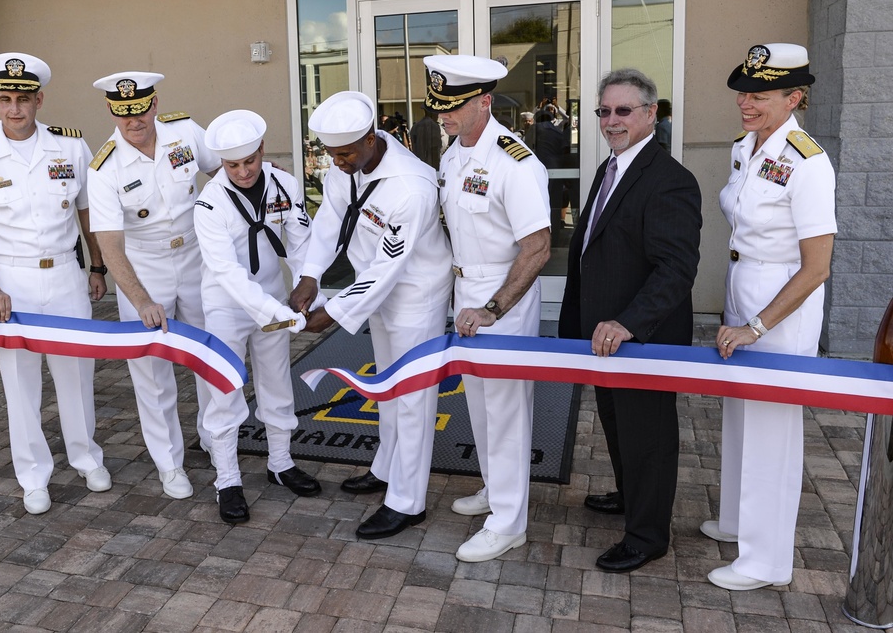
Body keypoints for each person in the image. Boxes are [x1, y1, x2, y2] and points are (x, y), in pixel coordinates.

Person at [0, 53, 111, 515]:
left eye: (25, 99)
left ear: (39, 100)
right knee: (21, 381)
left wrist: (97, 267)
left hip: (67, 277)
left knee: (76, 373)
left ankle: (86, 457)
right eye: (6, 99)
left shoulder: (70, 146)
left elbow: (88, 212)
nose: (16, 109)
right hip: (10, 281)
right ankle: (34, 476)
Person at [289, 91, 452, 540]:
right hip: (376, 289)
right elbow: (330, 219)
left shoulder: (411, 187)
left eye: (344, 154)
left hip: (415, 295)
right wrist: (310, 276)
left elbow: (388, 268)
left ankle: (407, 501)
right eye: (331, 154)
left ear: (369, 139)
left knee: (413, 397)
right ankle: (385, 468)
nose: (336, 163)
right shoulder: (349, 165)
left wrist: (331, 314)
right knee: (386, 387)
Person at [557, 68, 702, 573]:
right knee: (617, 424)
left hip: (644, 337)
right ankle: (628, 495)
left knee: (648, 436)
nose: (612, 121)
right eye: (604, 111)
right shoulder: (610, 167)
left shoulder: (670, 181)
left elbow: (676, 269)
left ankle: (647, 536)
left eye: (623, 111)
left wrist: (629, 323)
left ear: (651, 115)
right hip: (604, 334)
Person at [704, 43, 835, 591]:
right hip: (744, 291)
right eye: (743, 92)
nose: (745, 103)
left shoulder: (808, 161)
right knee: (739, 415)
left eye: (758, 95)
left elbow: (817, 268)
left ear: (794, 97)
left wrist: (758, 325)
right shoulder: (747, 147)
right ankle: (737, 522)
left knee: (771, 432)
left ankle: (766, 560)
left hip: (782, 308)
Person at [424, 54, 551, 562]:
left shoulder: (514, 162)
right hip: (465, 293)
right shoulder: (454, 154)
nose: (443, 116)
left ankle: (509, 521)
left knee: (504, 412)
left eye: (452, 108)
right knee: (478, 404)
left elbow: (538, 247)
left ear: (484, 102)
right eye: (439, 107)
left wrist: (494, 307)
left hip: (503, 301)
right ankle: (496, 488)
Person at [87, 71, 219, 500]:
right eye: (123, 114)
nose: (133, 122)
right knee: (152, 371)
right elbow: (109, 244)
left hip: (197, 254)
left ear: (154, 104)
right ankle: (170, 464)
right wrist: (140, 299)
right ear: (112, 112)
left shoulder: (184, 131)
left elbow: (222, 172)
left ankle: (216, 438)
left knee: (209, 355)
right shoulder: (104, 167)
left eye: (140, 110)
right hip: (143, 266)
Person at [193, 110, 321, 524]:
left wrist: (306, 283)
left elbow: (301, 239)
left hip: (273, 296)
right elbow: (227, 274)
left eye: (250, 161)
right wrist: (276, 312)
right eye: (233, 165)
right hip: (226, 305)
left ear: (262, 151)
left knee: (277, 381)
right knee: (225, 391)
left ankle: (281, 462)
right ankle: (227, 479)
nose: (244, 171)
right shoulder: (209, 202)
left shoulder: (285, 182)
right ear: (222, 164)